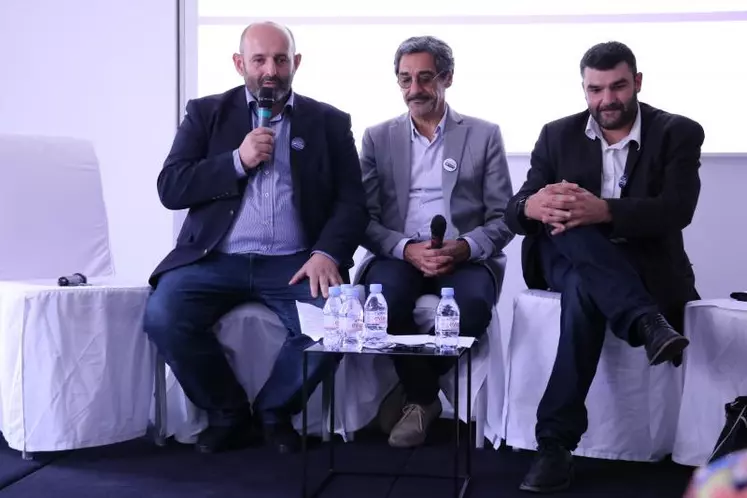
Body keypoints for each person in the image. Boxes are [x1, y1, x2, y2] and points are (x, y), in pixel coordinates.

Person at [143, 22, 367, 455]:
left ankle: (273, 413)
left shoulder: (329, 122)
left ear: (295, 64)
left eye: (281, 59)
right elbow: (170, 187)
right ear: (239, 63)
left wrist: (326, 253)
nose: (271, 70)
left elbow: (353, 203)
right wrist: (236, 161)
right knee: (164, 315)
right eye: (260, 59)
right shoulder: (206, 113)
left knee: (342, 322)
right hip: (215, 258)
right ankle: (227, 413)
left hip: (294, 262)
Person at [506, 41, 704, 493]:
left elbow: (677, 210)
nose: (606, 99)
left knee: (583, 285)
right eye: (595, 90)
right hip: (562, 252)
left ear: (637, 82)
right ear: (584, 89)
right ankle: (645, 322)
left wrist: (605, 211)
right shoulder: (556, 133)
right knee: (568, 213)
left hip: (639, 260)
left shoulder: (678, 132)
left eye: (617, 86)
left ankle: (554, 444)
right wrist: (533, 205)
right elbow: (513, 212)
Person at [357, 35, 514, 448]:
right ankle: (425, 397)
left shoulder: (483, 135)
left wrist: (463, 248)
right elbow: (363, 219)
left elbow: (504, 217)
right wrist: (406, 248)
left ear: (447, 78)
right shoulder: (377, 137)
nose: (414, 90)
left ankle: (411, 390)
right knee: (379, 306)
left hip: (461, 256)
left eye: (425, 78)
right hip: (399, 253)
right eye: (405, 79)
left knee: (474, 308)